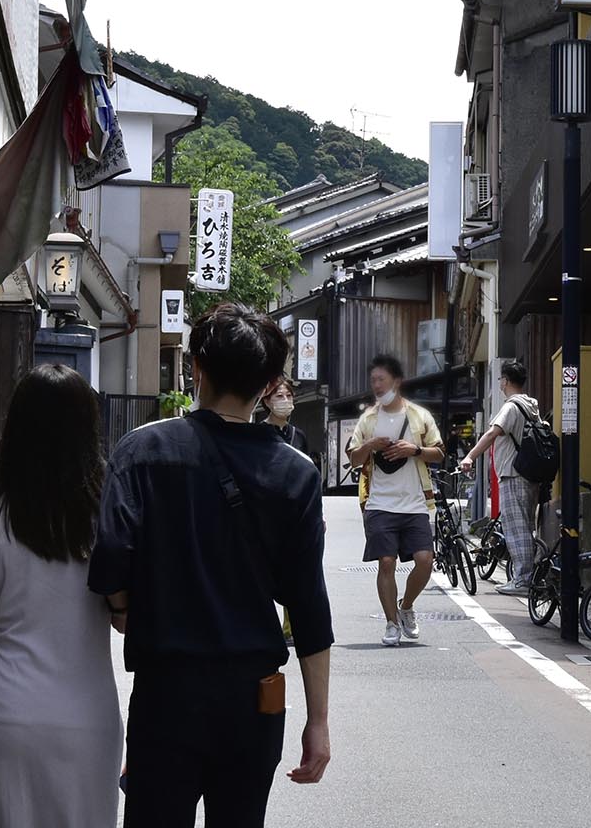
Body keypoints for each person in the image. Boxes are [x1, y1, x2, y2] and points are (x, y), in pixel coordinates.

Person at [90, 303, 333, 827]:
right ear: (269, 385)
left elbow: (109, 556)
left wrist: (123, 607)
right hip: (254, 700)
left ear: (196, 367)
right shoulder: (295, 474)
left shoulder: (142, 450)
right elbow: (308, 604)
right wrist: (319, 722)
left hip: (166, 692)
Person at [0, 364, 121, 828]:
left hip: (6, 711)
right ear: (87, 430)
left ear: (15, 426)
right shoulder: (106, 514)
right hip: (87, 712)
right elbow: (126, 618)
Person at [345, 353, 445, 647]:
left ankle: (406, 607)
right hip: (379, 503)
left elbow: (438, 451)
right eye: (373, 380)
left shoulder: (419, 416)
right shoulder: (369, 419)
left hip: (415, 503)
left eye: (381, 379)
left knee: (425, 561)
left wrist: (413, 450)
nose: (376, 385)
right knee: (386, 562)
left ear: (396, 381)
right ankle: (391, 624)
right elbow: (353, 459)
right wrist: (370, 445)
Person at [458, 359, 544, 597]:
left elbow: (492, 433)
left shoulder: (511, 407)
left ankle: (523, 580)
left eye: (501, 380)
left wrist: (470, 457)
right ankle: (528, 576)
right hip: (529, 474)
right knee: (526, 527)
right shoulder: (531, 406)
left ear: (505, 381)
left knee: (517, 529)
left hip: (513, 474)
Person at [259, 377, 319, 648]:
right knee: (265, 569)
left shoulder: (299, 436)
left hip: (297, 510)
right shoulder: (257, 434)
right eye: (279, 396)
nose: (285, 401)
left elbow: (310, 476)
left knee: (295, 569)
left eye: (288, 396)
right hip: (267, 510)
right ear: (266, 401)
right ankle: (266, 623)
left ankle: (289, 625)